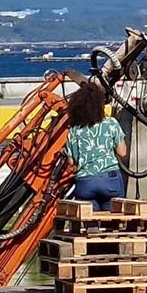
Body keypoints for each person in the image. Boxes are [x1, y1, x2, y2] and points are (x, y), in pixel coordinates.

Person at [61, 77, 128, 211]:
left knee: (89, 219)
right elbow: (122, 152)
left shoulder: (74, 130)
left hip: (85, 183)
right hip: (110, 181)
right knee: (112, 217)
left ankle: (91, 228)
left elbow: (71, 162)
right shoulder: (111, 123)